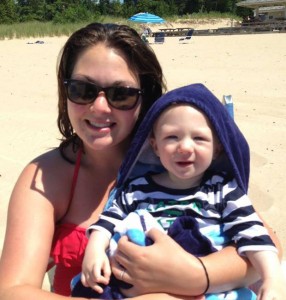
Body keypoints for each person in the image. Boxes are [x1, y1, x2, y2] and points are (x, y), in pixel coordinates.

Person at [0, 22, 282, 300]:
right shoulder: (47, 177)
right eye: (83, 90)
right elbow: (12, 290)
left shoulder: (177, 158)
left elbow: (270, 245)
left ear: (145, 98)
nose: (99, 107)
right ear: (65, 93)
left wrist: (197, 275)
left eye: (120, 94)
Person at [79, 84, 285, 299]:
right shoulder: (136, 188)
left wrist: (272, 279)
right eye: (172, 137)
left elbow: (253, 234)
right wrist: (94, 250)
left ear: (218, 148)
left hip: (206, 287)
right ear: (155, 146)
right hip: (140, 284)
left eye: (199, 138)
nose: (185, 147)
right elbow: (107, 221)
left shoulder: (222, 190)